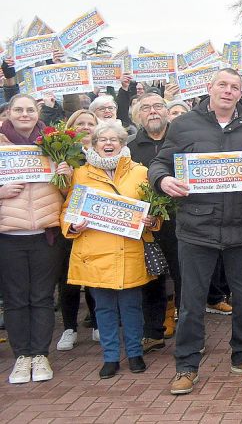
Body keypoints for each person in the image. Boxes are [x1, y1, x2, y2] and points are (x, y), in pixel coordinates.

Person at [149, 68, 242, 395]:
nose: (228, 91)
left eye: (235, 87)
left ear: (240, 93)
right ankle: (186, 365)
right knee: (191, 302)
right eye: (223, 85)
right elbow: (160, 164)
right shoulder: (183, 125)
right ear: (210, 88)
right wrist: (163, 181)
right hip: (197, 227)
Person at [61, 122, 160, 378]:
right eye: (102, 139)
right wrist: (72, 225)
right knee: (103, 308)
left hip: (129, 250)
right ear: (93, 145)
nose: (108, 143)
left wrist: (153, 221)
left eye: (114, 139)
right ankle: (110, 356)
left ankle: (136, 353)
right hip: (95, 252)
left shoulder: (140, 172)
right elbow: (67, 212)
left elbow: (155, 209)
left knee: (131, 307)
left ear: (123, 144)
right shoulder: (80, 174)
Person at [0, 93, 73, 384]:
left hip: (46, 233)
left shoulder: (54, 143)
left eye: (30, 109)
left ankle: (40, 355)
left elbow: (68, 192)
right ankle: (22, 357)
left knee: (43, 297)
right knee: (16, 299)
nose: (25, 114)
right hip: (9, 233)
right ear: (9, 113)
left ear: (37, 112)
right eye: (19, 109)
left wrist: (66, 175)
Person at [128, 93, 181, 353]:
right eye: (146, 108)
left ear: (167, 112)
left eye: (158, 106)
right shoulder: (130, 147)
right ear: (138, 115)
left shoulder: (182, 140)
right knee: (152, 277)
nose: (152, 112)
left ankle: (187, 332)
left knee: (184, 276)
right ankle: (153, 332)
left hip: (181, 220)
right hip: (146, 222)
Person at [55, 110, 100, 351]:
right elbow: (58, 194)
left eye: (90, 123)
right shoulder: (60, 155)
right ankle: (69, 328)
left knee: (93, 274)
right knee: (68, 278)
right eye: (79, 123)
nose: (85, 127)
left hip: (94, 225)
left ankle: (96, 323)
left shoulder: (101, 153)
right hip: (68, 223)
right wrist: (65, 180)